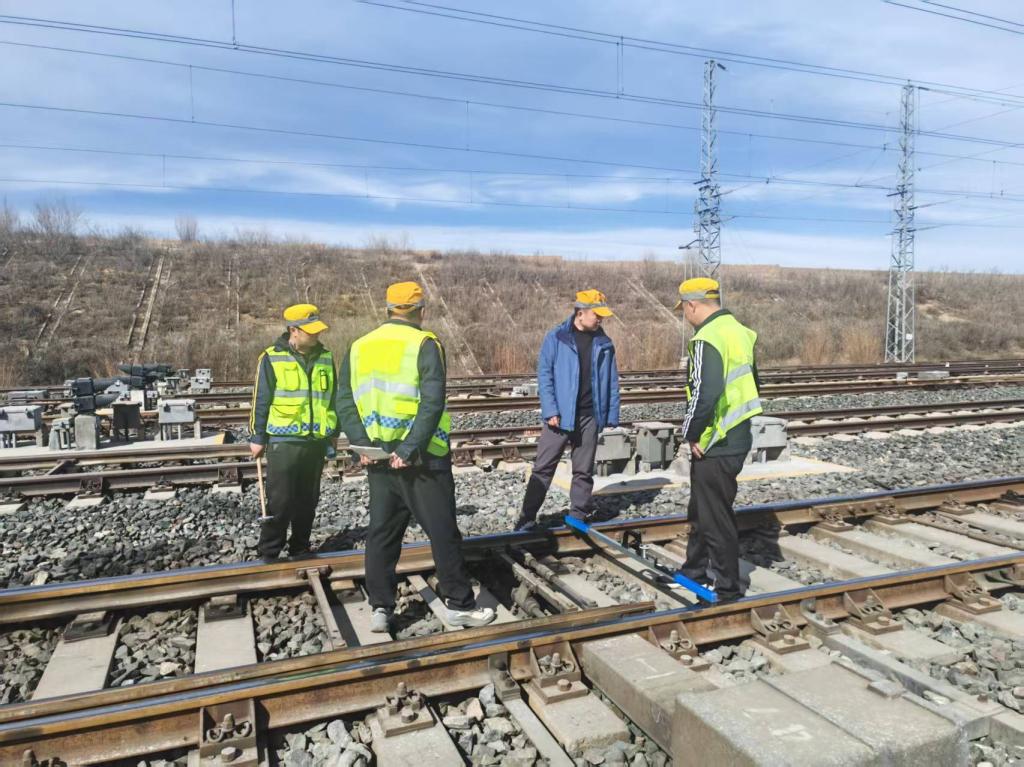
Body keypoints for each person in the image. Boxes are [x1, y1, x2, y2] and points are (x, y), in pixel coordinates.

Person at [336, 281, 496, 633]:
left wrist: (361, 443)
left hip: (377, 456)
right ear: (420, 310)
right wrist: (410, 448)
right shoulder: (425, 343)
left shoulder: (359, 346)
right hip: (422, 459)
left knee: (382, 533)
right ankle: (459, 604)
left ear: (388, 309)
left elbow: (344, 400)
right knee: (442, 531)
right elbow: (432, 401)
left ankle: (380, 607)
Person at [674, 278, 762, 603]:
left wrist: (692, 434)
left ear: (692, 305)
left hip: (715, 440)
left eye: (684, 309)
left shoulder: (706, 338)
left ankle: (727, 589)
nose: (685, 316)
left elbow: (704, 393)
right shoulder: (740, 332)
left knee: (715, 518)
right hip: (737, 434)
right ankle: (693, 572)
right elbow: (753, 383)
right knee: (702, 509)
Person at [514, 289, 621, 532]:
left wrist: (611, 414)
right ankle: (526, 518)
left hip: (589, 416)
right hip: (559, 417)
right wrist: (550, 409)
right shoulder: (557, 337)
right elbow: (545, 375)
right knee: (543, 469)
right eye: (596, 314)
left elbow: (612, 380)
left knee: (583, 470)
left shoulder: (604, 343)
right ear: (581, 313)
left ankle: (577, 517)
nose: (600, 319)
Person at [250, 303, 338, 563]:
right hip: (284, 440)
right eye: (311, 330)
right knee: (280, 501)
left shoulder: (325, 357)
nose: (317, 334)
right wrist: (257, 437)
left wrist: (334, 432)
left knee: (308, 500)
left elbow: (332, 397)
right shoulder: (271, 357)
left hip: (316, 441)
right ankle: (269, 552)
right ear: (294, 331)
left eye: (317, 329)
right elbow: (261, 400)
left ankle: (300, 546)